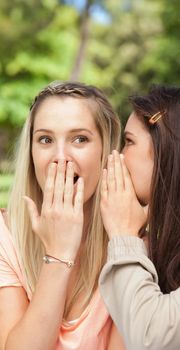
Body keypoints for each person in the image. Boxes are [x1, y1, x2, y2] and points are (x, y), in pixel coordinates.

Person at [99, 84, 180, 350]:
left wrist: (123, 235)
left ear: (170, 152)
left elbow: (151, 337)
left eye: (128, 142)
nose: (117, 158)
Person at [0, 81, 126, 349]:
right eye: (45, 139)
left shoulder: (131, 245)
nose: (60, 157)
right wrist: (59, 255)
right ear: (31, 152)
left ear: (106, 150)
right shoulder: (5, 237)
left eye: (79, 139)